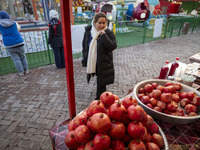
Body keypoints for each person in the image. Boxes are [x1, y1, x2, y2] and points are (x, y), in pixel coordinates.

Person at [82, 12, 117, 100]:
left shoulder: (108, 32)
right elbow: (85, 45)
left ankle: (100, 99)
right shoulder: (89, 32)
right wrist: (85, 57)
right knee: (98, 78)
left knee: (102, 82)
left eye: (104, 23)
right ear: (94, 22)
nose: (102, 25)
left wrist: (104, 35)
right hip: (93, 61)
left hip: (104, 62)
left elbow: (112, 46)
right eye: (99, 23)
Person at [0, 10, 29, 76]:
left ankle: (21, 72)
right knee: (23, 57)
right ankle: (26, 70)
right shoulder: (14, 22)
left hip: (9, 44)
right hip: (19, 42)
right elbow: (19, 28)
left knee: (16, 59)